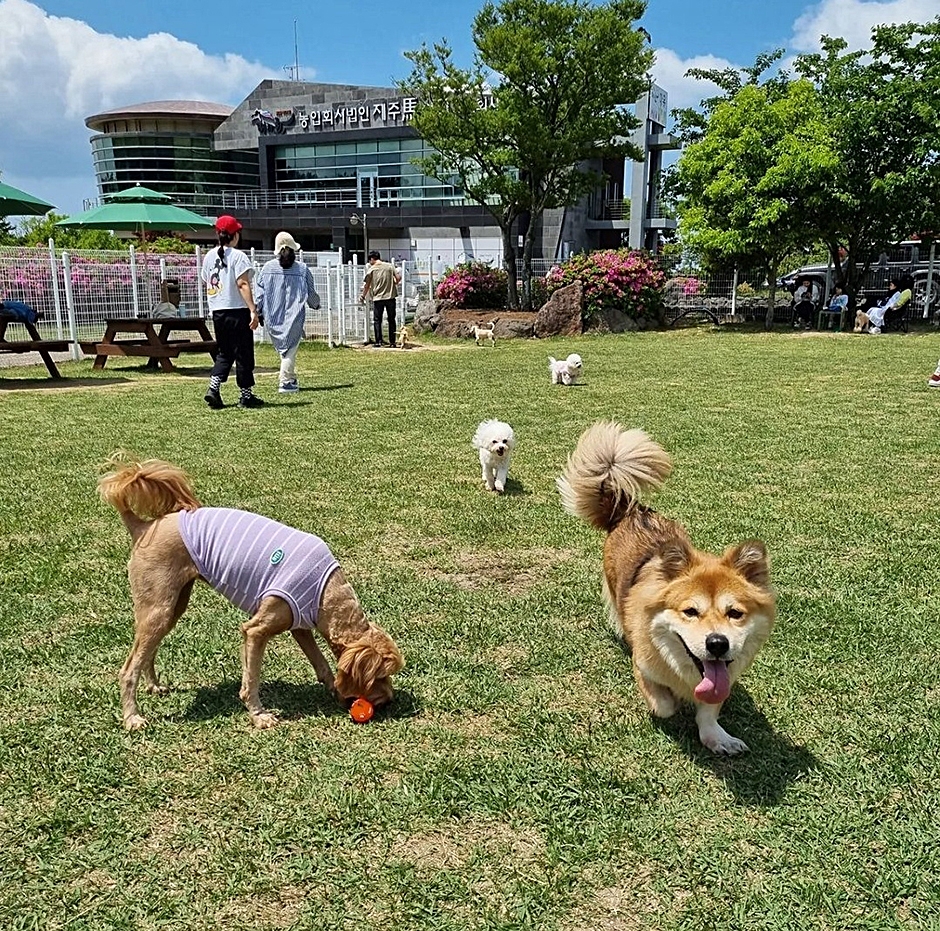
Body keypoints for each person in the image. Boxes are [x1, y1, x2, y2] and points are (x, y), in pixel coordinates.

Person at [200, 215, 263, 409]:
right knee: (243, 354)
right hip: (237, 310)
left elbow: (206, 280)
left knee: (225, 352)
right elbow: (243, 284)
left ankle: (213, 389)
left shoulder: (209, 256)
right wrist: (253, 310)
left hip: (218, 312)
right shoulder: (238, 256)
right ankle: (246, 396)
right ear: (235, 235)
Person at [254, 231, 320, 393]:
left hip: (272, 316)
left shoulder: (267, 268)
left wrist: (257, 311)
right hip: (295, 316)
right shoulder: (302, 269)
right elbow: (311, 293)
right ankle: (285, 382)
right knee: (290, 350)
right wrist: (316, 304)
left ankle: (290, 378)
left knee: (283, 349)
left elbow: (259, 294)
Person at [360, 249, 401, 347]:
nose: (370, 262)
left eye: (370, 260)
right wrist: (394, 283)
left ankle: (378, 341)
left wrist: (362, 296)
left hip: (378, 298)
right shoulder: (390, 266)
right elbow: (398, 278)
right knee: (391, 320)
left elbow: (367, 285)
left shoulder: (372, 269)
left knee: (377, 320)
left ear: (372, 259)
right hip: (390, 296)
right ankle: (392, 342)